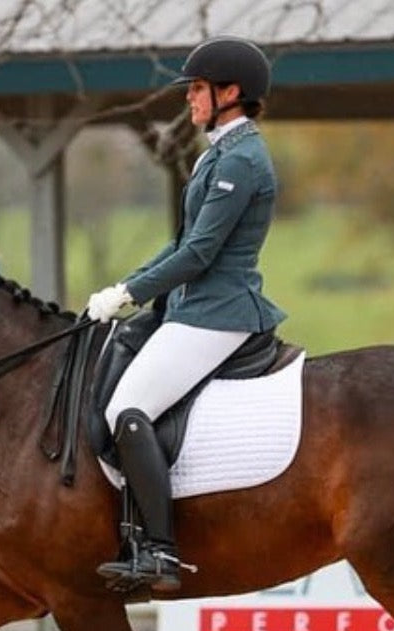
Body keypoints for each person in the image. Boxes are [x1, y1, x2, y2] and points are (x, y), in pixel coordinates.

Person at [86, 35, 286, 592]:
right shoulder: (217, 152)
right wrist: (127, 288)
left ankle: (160, 551)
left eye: (198, 89)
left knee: (127, 409)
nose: (190, 99)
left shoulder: (244, 159)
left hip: (218, 313)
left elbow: (201, 255)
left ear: (231, 93)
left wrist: (129, 296)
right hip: (189, 306)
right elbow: (180, 243)